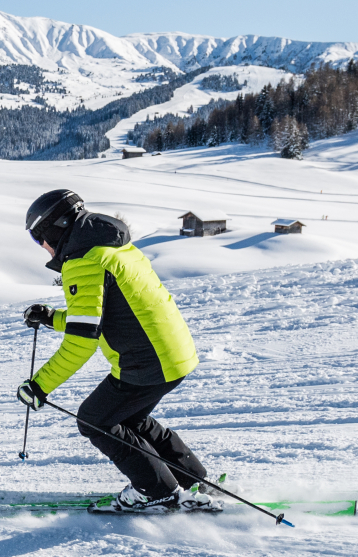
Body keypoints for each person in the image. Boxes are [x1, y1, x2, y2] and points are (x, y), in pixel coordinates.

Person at [14, 189, 219, 514]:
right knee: (130, 418)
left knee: (93, 419)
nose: (42, 248)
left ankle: (156, 491)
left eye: (39, 239)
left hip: (148, 361)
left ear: (54, 228)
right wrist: (53, 318)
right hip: (174, 352)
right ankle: (193, 480)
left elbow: (83, 340)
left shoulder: (82, 261)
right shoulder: (111, 247)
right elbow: (100, 315)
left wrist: (39, 386)